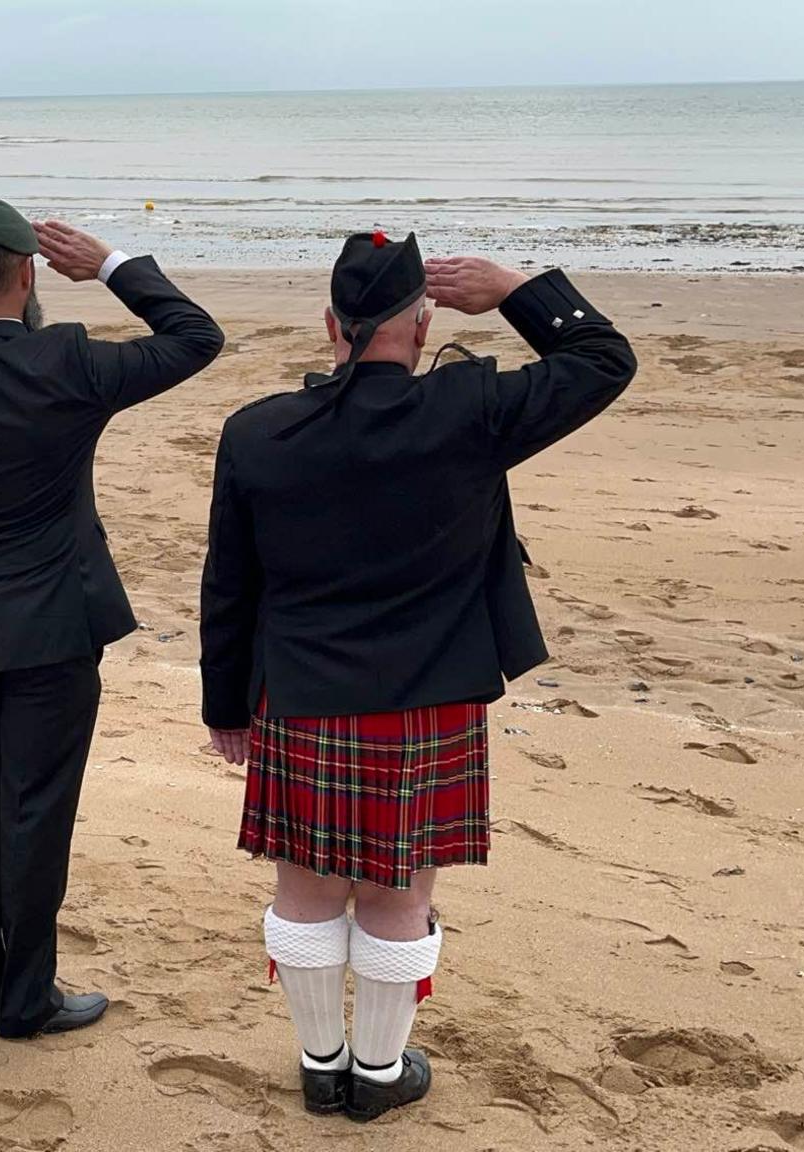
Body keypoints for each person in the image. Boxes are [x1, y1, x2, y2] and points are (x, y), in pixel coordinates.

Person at [199, 231, 636, 1121]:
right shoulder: (469, 409)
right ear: (425, 317)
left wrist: (225, 707)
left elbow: (227, 587)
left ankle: (322, 1066)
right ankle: (378, 1074)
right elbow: (602, 357)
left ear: (329, 322)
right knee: (399, 892)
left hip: (301, 697)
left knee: (305, 891)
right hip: (427, 701)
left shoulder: (257, 431)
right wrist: (515, 289)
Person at [0, 199, 224, 1038]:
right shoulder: (67, 360)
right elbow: (195, 338)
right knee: (36, 812)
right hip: (56, 627)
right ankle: (24, 996)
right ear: (28, 276)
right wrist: (110, 264)